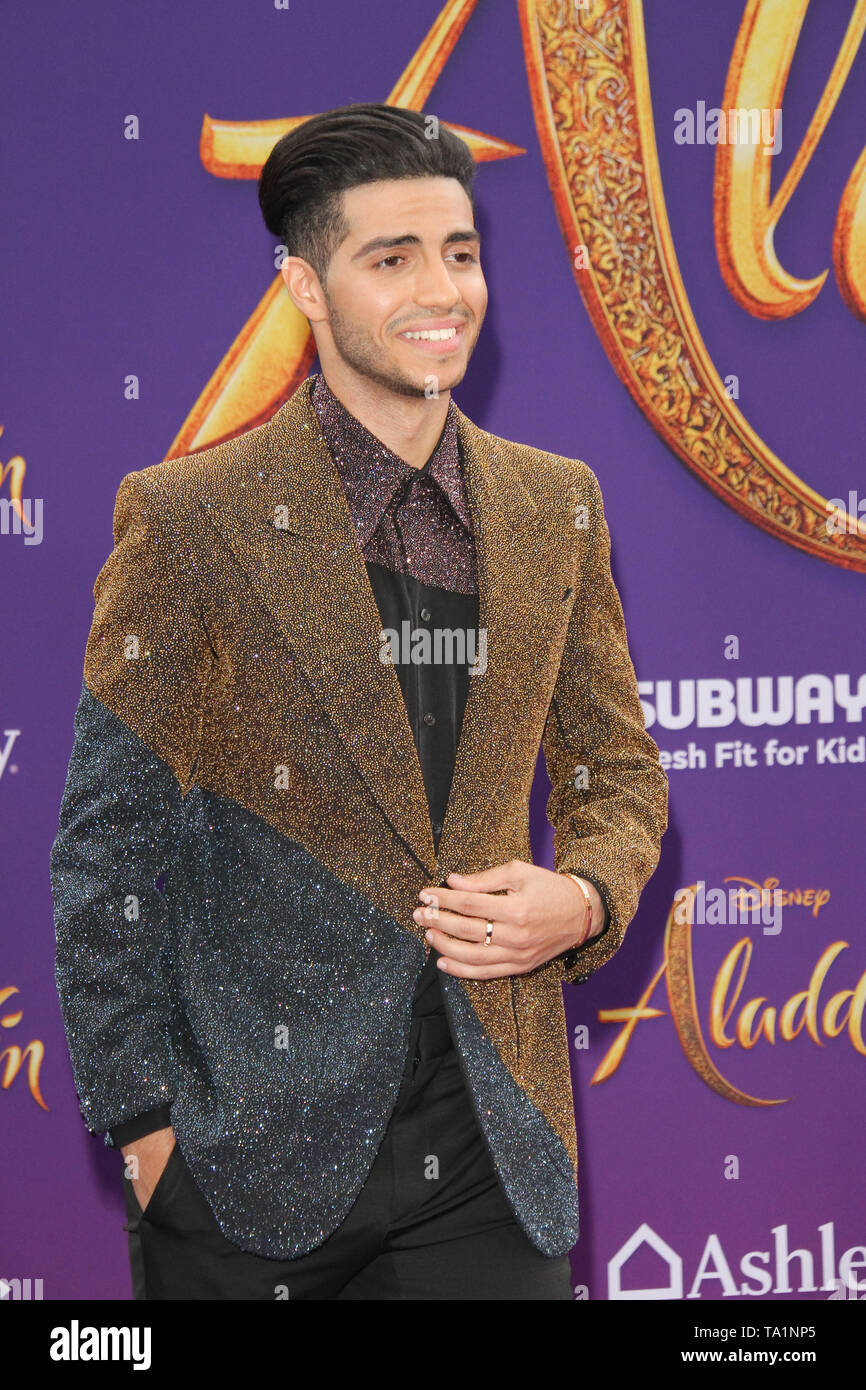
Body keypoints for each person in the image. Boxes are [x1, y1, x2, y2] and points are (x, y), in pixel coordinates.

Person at [50, 102, 668, 1300]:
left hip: (494, 1150)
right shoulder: (191, 521)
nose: (442, 289)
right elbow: (106, 849)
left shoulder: (558, 505)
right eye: (391, 259)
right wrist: (144, 1128)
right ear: (305, 289)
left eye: (460, 251)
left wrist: (585, 896)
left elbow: (614, 771)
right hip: (249, 1168)